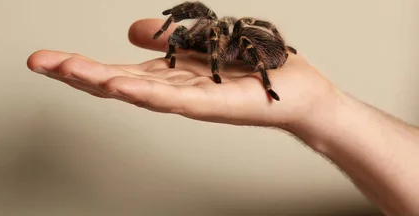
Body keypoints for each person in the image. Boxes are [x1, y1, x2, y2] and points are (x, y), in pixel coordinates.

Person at [27, 18, 419, 216]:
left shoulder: (239, 39)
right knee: (228, 28)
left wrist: (221, 68)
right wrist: (323, 109)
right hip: (257, 51)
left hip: (259, 56)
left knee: (242, 33)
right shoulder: (215, 31)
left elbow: (252, 33)